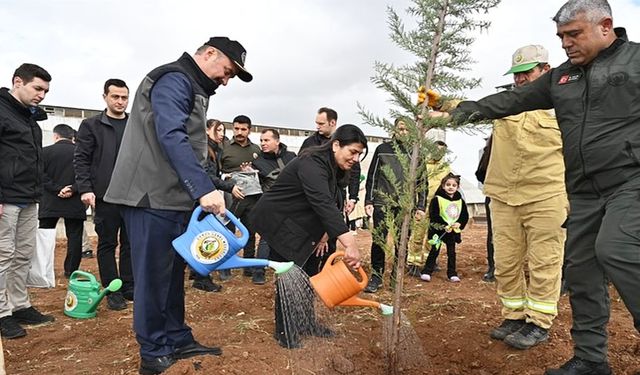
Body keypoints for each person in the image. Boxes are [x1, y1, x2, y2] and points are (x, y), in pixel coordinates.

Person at [434, 1, 638, 373]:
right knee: (573, 272)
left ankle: (552, 329)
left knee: (608, 251)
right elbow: (505, 102)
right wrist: (452, 109)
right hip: (566, 194)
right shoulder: (561, 81)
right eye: (561, 37)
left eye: (574, 34)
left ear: (605, 26)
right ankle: (588, 359)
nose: (566, 44)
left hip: (604, 186)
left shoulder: (633, 63)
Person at [103, 36, 252, 374]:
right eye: (226, 71)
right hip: (149, 196)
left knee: (171, 274)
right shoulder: (173, 79)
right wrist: (203, 189)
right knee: (153, 277)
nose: (226, 80)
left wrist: (204, 187)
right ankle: (153, 351)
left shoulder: (194, 88)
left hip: (172, 198)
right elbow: (171, 134)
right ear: (209, 54)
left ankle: (176, 336)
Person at [480, 45, 569, 351]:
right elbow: (475, 108)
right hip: (504, 196)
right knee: (505, 263)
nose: (519, 80)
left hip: (547, 195)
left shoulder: (565, 103)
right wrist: (444, 106)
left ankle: (539, 322)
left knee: (545, 262)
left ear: (545, 69)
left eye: (526, 73)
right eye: (516, 74)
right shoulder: (507, 103)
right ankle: (514, 316)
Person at [252, 124, 365, 348]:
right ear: (336, 145)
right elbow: (321, 201)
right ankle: (285, 332)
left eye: (360, 154)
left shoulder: (336, 167)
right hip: (282, 221)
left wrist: (325, 234)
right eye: (352, 152)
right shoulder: (311, 163)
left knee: (310, 273)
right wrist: (349, 243)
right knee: (289, 274)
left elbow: (334, 199)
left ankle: (306, 323)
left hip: (307, 223)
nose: (355, 158)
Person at [0, 63, 55, 339]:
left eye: (45, 91)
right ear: (18, 82)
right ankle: (1, 313)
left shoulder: (29, 118)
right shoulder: (2, 110)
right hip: (5, 197)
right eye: (37, 88)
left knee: (23, 255)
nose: (42, 95)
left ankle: (19, 304)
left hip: (28, 196)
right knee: (3, 255)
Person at [74, 78, 133, 311]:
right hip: (105, 196)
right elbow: (81, 159)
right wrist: (86, 188)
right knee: (107, 243)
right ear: (105, 97)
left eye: (124, 97)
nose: (120, 101)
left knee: (130, 243)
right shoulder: (91, 126)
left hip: (133, 196)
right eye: (115, 97)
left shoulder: (135, 125)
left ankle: (129, 285)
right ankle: (113, 290)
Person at [363, 118, 427, 293]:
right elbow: (373, 177)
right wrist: (369, 201)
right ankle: (376, 276)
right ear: (394, 130)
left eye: (407, 129)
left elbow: (422, 182)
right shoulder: (382, 150)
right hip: (382, 202)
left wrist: (420, 206)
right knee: (379, 241)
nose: (404, 132)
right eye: (401, 129)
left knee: (402, 242)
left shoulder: (417, 153)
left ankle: (395, 278)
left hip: (405, 206)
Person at [300, 107, 362, 275]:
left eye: (321, 123)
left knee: (330, 237)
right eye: (316, 123)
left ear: (332, 123)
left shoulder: (348, 144)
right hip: (313, 198)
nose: (317, 127)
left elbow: (355, 173)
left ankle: (327, 270)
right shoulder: (310, 144)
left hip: (336, 195)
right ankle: (308, 272)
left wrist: (353, 197)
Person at [190, 119, 244, 292]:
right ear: (207, 130)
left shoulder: (215, 149)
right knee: (205, 237)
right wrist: (229, 186)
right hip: (201, 200)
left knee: (196, 236)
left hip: (201, 198)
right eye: (218, 130)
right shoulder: (205, 149)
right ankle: (202, 277)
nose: (222, 133)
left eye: (223, 130)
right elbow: (206, 176)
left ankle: (196, 271)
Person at [39, 124, 87, 278]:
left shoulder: (44, 152)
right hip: (74, 201)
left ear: (56, 136)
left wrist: (56, 189)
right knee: (74, 237)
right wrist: (72, 188)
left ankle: (43, 270)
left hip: (50, 201)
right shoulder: (81, 153)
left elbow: (40, 176)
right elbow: (87, 175)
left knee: (45, 236)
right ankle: (71, 270)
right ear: (72, 137)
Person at [249, 128, 296, 284]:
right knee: (266, 239)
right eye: (261, 140)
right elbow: (255, 186)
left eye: (266, 140)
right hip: (270, 205)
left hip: (292, 205)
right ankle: (258, 271)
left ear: (277, 141)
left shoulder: (291, 157)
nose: (263, 143)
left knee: (289, 239)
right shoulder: (257, 162)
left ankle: (286, 271)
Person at [218, 115, 261, 280]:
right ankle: (225, 267)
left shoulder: (257, 149)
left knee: (250, 230)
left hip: (251, 198)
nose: (239, 132)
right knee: (227, 230)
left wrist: (250, 170)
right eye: (236, 128)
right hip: (230, 197)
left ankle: (248, 266)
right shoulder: (224, 148)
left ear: (249, 130)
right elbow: (217, 171)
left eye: (243, 129)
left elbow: (261, 172)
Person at [407, 140, 450, 277]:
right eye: (437, 150)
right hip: (423, 206)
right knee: (418, 234)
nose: (439, 153)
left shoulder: (446, 167)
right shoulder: (422, 164)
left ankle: (429, 260)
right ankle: (413, 262)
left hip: (437, 207)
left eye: (442, 151)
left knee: (434, 236)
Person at [419, 173, 469, 282]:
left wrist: (459, 223)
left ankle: (452, 273)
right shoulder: (437, 199)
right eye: (448, 184)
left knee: (451, 252)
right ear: (443, 186)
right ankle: (427, 271)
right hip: (439, 231)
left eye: (453, 185)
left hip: (452, 231)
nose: (450, 187)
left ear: (457, 187)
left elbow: (464, 215)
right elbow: (434, 215)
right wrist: (443, 225)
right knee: (434, 251)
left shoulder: (460, 201)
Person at [475, 135, 495, 282]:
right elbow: (480, 172)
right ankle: (493, 267)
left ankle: (493, 269)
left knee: (494, 233)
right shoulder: (490, 146)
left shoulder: (491, 145)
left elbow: (480, 173)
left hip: (495, 193)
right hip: (496, 194)